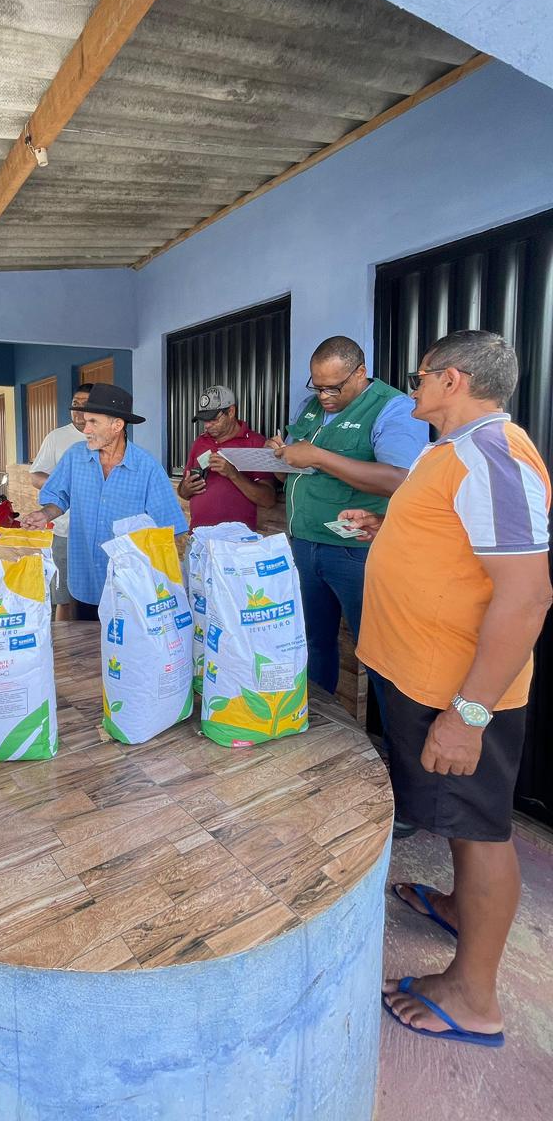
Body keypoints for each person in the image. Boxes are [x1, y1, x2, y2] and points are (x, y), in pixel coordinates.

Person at [345, 330, 551, 1048]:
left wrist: (467, 716)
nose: (413, 389)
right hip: (425, 676)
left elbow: (527, 599)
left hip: (459, 691)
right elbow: (457, 548)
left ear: (453, 379)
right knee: (462, 824)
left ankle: (473, 995)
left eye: (421, 377)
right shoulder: (453, 451)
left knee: (480, 831)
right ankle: (463, 909)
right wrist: (391, 534)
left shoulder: (493, 455)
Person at [270, 335, 428, 698]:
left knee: (379, 655)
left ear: (360, 372)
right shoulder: (309, 408)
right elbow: (292, 474)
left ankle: (392, 748)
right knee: (312, 643)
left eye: (334, 387)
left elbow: (399, 480)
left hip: (356, 552)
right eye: (318, 386)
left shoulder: (395, 408)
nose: (324, 396)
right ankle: (314, 721)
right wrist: (280, 457)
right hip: (305, 545)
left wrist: (318, 456)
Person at [21, 384, 187, 614]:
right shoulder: (74, 456)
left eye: (93, 422)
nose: (85, 429)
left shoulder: (147, 467)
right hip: (85, 579)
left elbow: (170, 528)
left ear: (117, 425)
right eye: (85, 420)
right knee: (85, 646)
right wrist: (44, 514)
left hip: (129, 588)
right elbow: (59, 496)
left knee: (125, 649)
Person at [29, 383, 92, 620]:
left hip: (97, 535)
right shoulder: (57, 437)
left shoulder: (109, 440)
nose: (78, 410)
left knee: (95, 597)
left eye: (85, 405)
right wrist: (65, 485)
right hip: (64, 530)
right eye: (75, 404)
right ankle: (64, 651)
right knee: (63, 598)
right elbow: (36, 476)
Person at [178, 384, 275, 531]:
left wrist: (233, 474)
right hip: (199, 538)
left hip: (236, 542)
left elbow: (268, 499)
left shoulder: (255, 443)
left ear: (231, 411)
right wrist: (185, 488)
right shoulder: (200, 442)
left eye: (213, 419)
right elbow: (183, 492)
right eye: (204, 420)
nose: (207, 426)